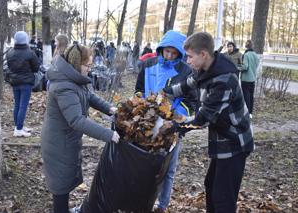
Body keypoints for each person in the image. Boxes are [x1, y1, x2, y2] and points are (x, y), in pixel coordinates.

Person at [163, 32, 254, 213]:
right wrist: (164, 92)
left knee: (223, 197)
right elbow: (185, 85)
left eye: (189, 56)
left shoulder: (223, 80)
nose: (187, 61)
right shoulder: (204, 69)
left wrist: (175, 127)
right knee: (211, 185)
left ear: (203, 54)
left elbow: (202, 119)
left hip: (234, 142)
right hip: (221, 139)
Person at [41, 44, 120, 213]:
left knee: (65, 182)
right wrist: (109, 134)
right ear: (77, 64)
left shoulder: (73, 79)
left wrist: (109, 108)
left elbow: (89, 96)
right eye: (88, 66)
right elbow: (77, 120)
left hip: (66, 141)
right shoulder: (64, 86)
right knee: (60, 189)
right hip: (58, 144)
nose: (90, 69)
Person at [135, 30, 198, 213]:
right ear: (160, 49)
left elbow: (192, 101)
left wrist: (174, 116)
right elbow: (138, 90)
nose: (169, 55)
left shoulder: (186, 71)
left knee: (168, 168)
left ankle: (162, 205)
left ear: (180, 53)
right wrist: (142, 107)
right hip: (146, 123)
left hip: (171, 126)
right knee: (145, 164)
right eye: (166, 51)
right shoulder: (148, 65)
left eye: (173, 52)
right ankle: (142, 200)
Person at [6, 31, 40, 137]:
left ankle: (18, 126)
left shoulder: (10, 52)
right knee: (23, 106)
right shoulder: (30, 52)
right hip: (26, 82)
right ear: (25, 40)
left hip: (15, 82)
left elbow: (9, 66)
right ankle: (19, 129)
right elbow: (36, 67)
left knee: (17, 105)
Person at [241, 40, 259, 118]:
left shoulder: (246, 55)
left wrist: (238, 67)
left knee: (246, 96)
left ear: (246, 46)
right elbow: (256, 64)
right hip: (253, 78)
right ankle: (250, 113)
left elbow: (245, 67)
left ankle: (247, 112)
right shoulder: (255, 55)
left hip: (245, 79)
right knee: (251, 96)